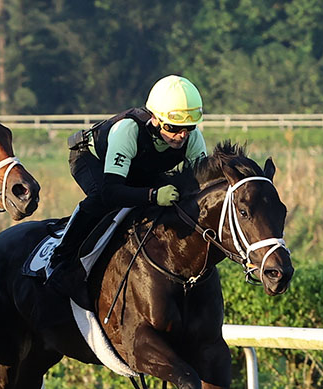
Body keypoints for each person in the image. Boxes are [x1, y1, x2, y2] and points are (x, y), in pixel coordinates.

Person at [45, 75, 207, 308]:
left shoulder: (192, 139)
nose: (182, 136)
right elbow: (113, 191)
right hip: (92, 160)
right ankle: (61, 261)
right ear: (155, 119)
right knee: (102, 201)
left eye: (188, 128)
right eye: (173, 128)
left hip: (139, 166)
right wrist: (152, 195)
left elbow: (199, 186)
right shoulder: (128, 130)